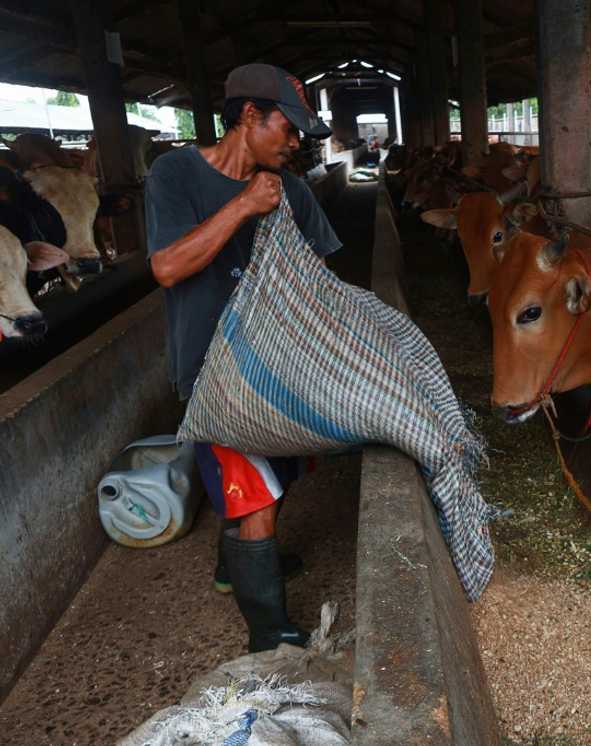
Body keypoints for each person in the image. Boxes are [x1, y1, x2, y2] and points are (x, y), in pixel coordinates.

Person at [145, 63, 341, 652]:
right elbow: (167, 267)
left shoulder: (292, 190)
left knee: (271, 476)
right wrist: (244, 206)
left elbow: (322, 269)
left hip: (277, 364)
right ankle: (270, 634)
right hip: (215, 369)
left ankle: (238, 566)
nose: (296, 142)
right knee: (254, 491)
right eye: (288, 127)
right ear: (249, 117)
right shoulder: (175, 173)